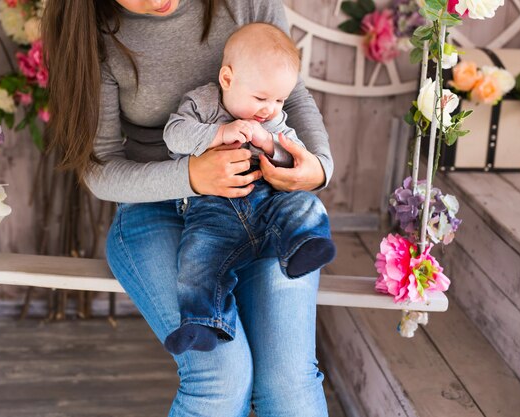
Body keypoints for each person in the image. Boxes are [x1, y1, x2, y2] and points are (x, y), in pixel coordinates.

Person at [42, 1, 334, 416]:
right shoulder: (92, 29)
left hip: (264, 203)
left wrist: (319, 167)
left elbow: (292, 94)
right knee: (221, 377)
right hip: (155, 209)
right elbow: (100, 167)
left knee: (288, 384)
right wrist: (192, 177)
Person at [162, 22, 336, 355]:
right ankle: (203, 322)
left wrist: (270, 144)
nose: (269, 108)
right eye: (260, 97)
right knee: (197, 259)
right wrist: (217, 135)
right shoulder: (203, 102)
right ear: (227, 79)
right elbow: (174, 135)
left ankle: (304, 244)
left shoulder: (273, 120)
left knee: (304, 204)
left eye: (279, 99)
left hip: (267, 200)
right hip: (211, 208)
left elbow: (295, 153)